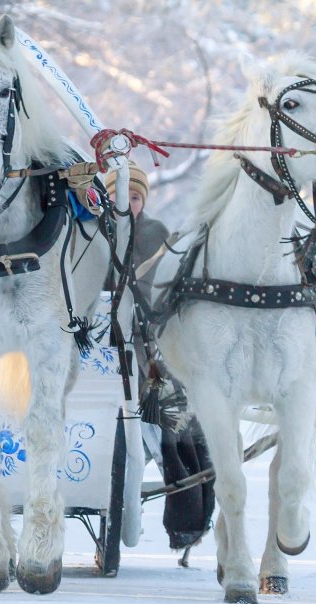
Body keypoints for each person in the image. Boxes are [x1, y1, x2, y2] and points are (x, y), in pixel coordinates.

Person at [106, 161, 216, 556]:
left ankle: (188, 514)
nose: (127, 205)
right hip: (103, 342)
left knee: (178, 422)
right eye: (120, 197)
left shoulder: (154, 233)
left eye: (134, 198)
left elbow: (165, 289)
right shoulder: (92, 232)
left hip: (147, 343)